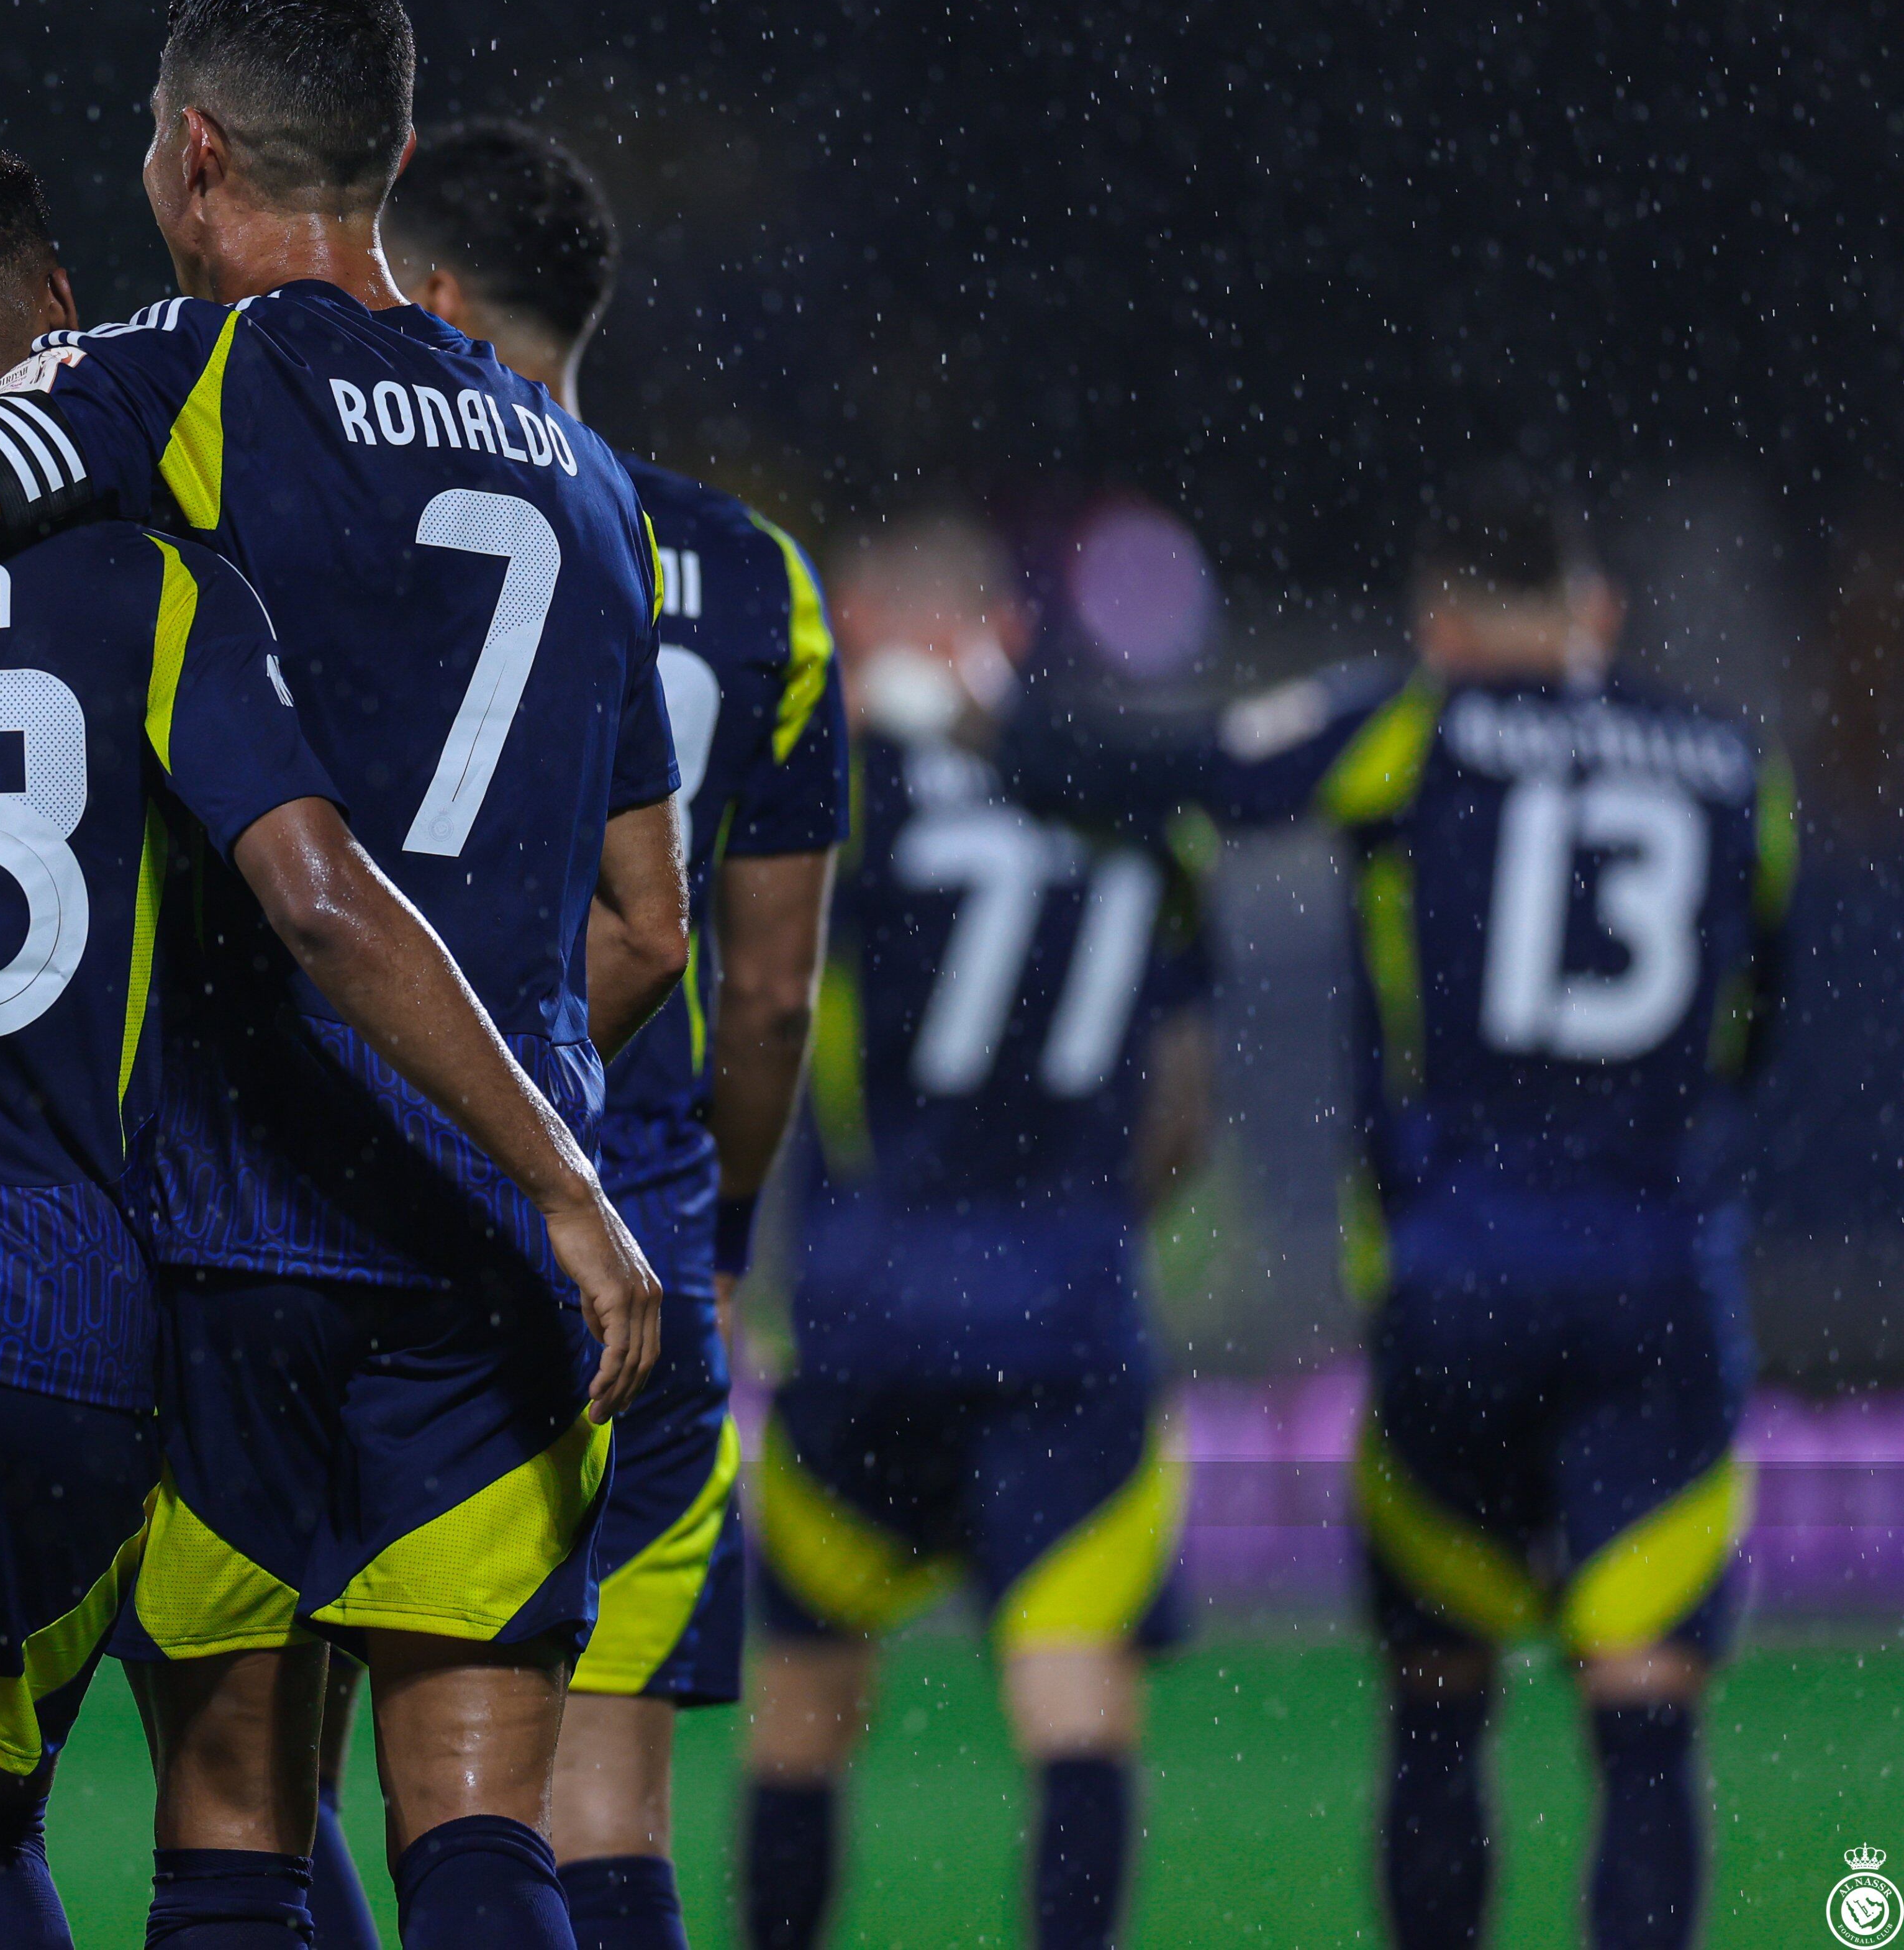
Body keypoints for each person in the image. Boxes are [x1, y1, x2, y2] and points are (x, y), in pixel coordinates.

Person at [0, 0, 682, 1950]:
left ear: (197, 161)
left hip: (227, 1224)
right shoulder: (588, 482)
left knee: (227, 1847)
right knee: (478, 1834)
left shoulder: (170, 378)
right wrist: (551, 1165)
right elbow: (653, 923)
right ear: (397, 161)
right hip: (498, 1233)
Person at [1000, 465, 1793, 1950]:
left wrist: (991, 730)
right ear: (1595, 614)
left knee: (1436, 1693)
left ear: (1438, 617)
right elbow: (1758, 1016)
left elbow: (1194, 779)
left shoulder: (1411, 720)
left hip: (1461, 1275)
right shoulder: (1730, 759)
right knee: (1642, 1710)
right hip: (1656, 1274)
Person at [383, 119, 851, 1950]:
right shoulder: (759, 580)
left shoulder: (370, 522)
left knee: (292, 1771)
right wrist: (701, 1218)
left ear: (428, 298)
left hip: (373, 1208)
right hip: (634, 1231)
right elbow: (777, 991)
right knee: (601, 1808)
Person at [741, 513, 1207, 1950]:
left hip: (867, 1303)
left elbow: (763, 1006)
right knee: (1071, 1695)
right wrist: (1077, 1219)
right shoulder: (1134, 805)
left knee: (806, 1705)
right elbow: (1182, 1106)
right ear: (1006, 633)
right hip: (1067, 1304)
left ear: (870, 623)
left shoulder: (835, 789)